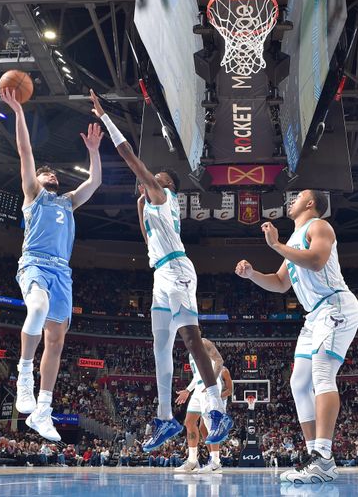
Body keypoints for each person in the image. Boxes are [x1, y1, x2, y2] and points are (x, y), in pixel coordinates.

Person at [90, 90, 232, 450]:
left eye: (155, 177)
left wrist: (105, 116)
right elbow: (144, 236)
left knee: (189, 338)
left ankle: (216, 409)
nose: (149, 178)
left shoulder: (163, 195)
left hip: (178, 270)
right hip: (160, 274)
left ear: (166, 185)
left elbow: (128, 157)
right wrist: (138, 205)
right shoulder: (152, 208)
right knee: (160, 349)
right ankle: (165, 417)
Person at [235, 190, 358, 483]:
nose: (291, 200)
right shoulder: (293, 241)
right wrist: (252, 274)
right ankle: (312, 457)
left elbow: (316, 261)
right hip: (314, 315)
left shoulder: (319, 226)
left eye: (298, 196)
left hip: (335, 304)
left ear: (310, 203)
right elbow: (280, 283)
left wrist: (276, 245)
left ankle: (324, 456)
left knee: (321, 373)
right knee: (299, 382)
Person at [0, 88, 103, 441]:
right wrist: (18, 113)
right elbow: (25, 152)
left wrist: (93, 152)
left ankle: (43, 409)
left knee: (56, 341)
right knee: (38, 307)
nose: (52, 177)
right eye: (47, 176)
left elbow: (95, 182)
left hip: (62, 271)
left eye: (54, 176)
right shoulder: (35, 195)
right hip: (35, 264)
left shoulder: (68, 202)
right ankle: (24, 374)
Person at [174, 338, 233, 474]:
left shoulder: (204, 342)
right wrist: (188, 390)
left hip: (210, 385)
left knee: (209, 424)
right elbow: (197, 375)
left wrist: (211, 382)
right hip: (199, 387)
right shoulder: (190, 352)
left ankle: (216, 462)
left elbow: (219, 361)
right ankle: (193, 461)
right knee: (189, 422)